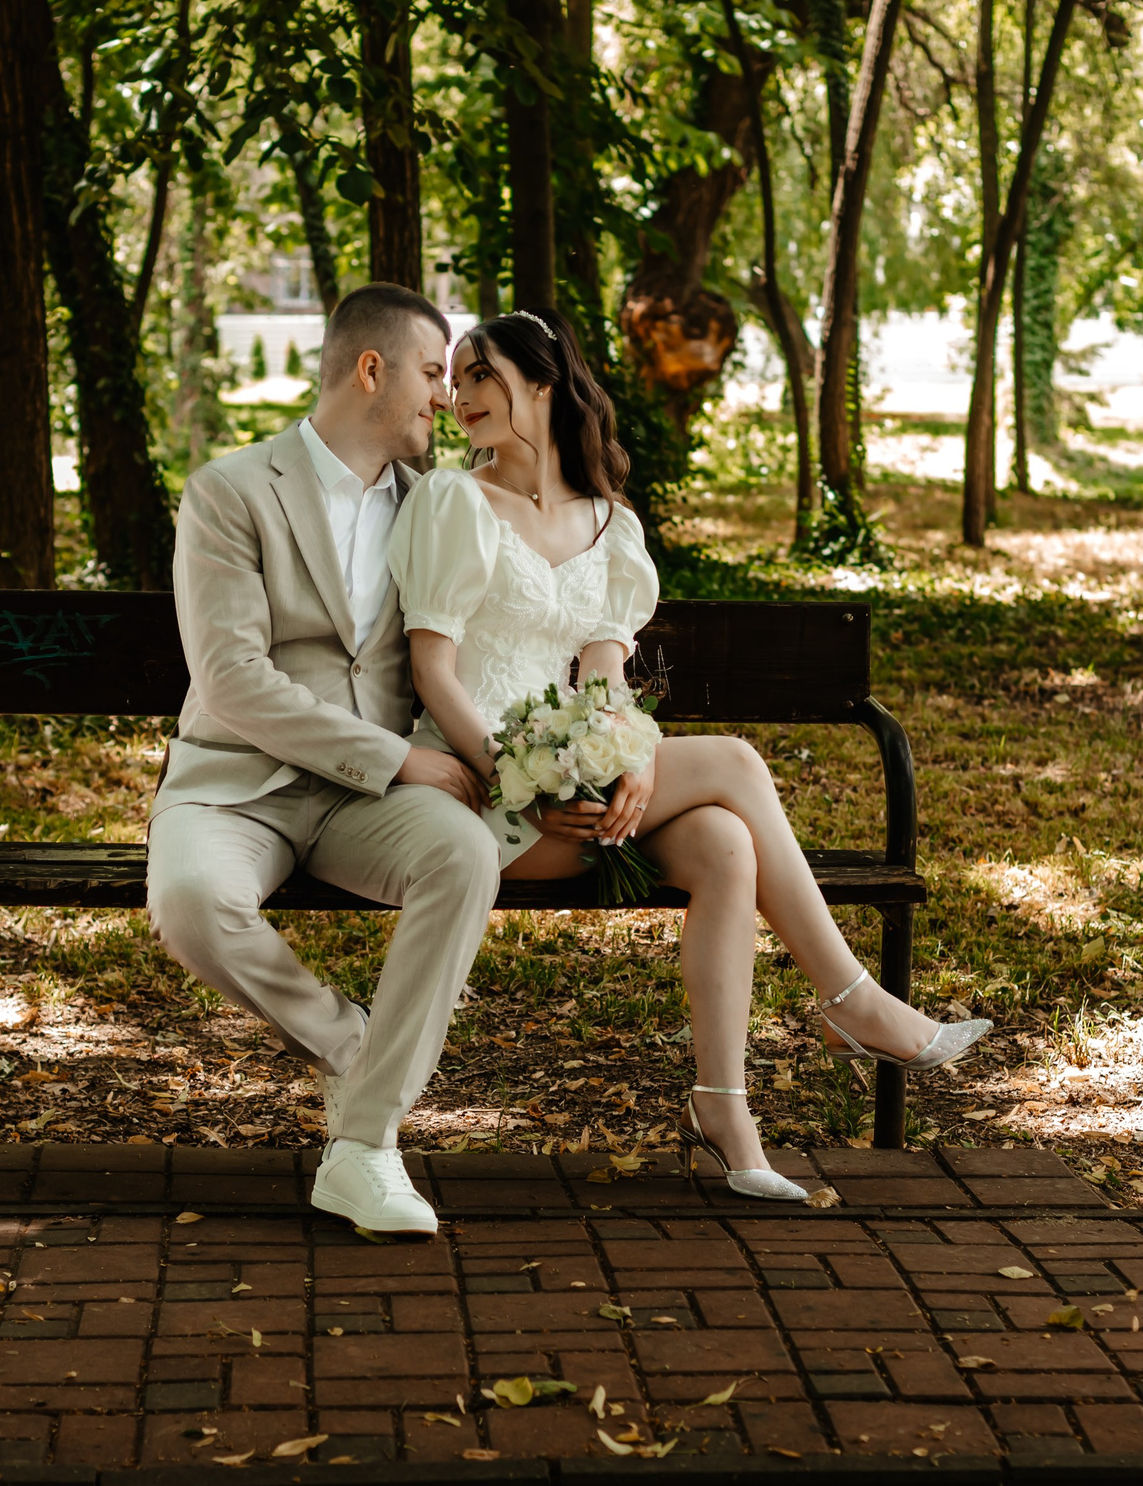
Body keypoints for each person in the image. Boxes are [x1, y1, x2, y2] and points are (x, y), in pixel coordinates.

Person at [387, 307, 988, 1202]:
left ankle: (725, 1109)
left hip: (572, 783)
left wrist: (633, 761)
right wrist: (518, 784)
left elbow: (603, 679)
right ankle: (852, 1000)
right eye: (456, 377)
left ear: (542, 382)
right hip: (477, 795)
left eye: (483, 374)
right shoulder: (454, 502)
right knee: (738, 762)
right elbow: (433, 673)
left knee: (724, 843)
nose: (460, 395)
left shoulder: (607, 524)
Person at [147, 281, 499, 1237]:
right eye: (433, 372)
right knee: (191, 901)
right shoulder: (229, 491)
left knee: (464, 853)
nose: (446, 397)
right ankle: (357, 1047)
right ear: (370, 369)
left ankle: (364, 1146)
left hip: (362, 806)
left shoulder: (433, 505)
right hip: (235, 782)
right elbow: (231, 680)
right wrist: (395, 758)